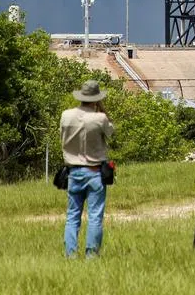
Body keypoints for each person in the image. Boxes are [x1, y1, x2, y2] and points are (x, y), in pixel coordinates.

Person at [60, 80, 114, 258]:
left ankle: (70, 254)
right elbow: (111, 132)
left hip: (73, 171)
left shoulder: (66, 115)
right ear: (96, 99)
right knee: (95, 216)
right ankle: (91, 255)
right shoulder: (100, 118)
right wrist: (103, 110)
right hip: (95, 172)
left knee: (72, 215)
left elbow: (62, 137)